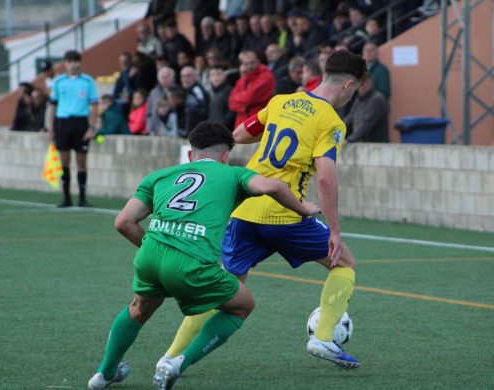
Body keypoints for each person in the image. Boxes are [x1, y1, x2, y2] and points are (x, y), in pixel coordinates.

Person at [156, 50, 367, 371]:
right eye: (355, 90)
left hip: (245, 209)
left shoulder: (282, 102)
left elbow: (236, 136)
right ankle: (323, 336)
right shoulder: (331, 121)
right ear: (349, 85)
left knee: (223, 289)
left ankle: (170, 358)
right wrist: (335, 231)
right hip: (286, 213)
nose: (353, 96)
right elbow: (325, 177)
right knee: (345, 263)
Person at [87, 122, 320, 390]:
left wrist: (157, 246)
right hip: (191, 262)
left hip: (151, 255)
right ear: (225, 155)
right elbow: (275, 187)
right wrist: (302, 208)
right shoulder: (233, 174)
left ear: (190, 154)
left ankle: (103, 375)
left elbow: (123, 222)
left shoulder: (159, 176)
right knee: (242, 306)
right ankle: (176, 364)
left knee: (139, 308)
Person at [47, 50, 99, 208]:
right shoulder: (58, 82)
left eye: (76, 61)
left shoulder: (88, 81)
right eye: (70, 61)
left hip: (81, 123)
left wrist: (92, 127)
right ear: (65, 63)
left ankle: (82, 198)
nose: (73, 64)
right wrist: (50, 128)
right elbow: (52, 106)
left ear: (80, 62)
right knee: (64, 161)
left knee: (81, 161)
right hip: (63, 123)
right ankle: (66, 197)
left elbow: (94, 105)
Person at [228, 50, 275, 127]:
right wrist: (245, 105)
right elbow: (231, 102)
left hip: (257, 124)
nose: (249, 66)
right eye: (246, 64)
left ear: (258, 61)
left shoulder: (266, 76)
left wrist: (240, 101)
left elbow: (250, 97)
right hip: (243, 123)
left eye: (252, 63)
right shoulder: (246, 76)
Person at [344, 74, 389, 143]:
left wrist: (350, 139)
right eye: (359, 84)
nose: (361, 86)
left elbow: (367, 124)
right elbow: (349, 118)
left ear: (370, 82)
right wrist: (336, 128)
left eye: (363, 83)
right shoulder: (359, 99)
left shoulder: (377, 99)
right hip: (363, 145)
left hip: (376, 146)